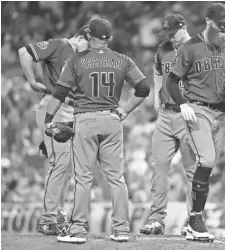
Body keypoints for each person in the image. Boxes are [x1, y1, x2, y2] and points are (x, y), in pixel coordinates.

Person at [44, 18, 150, 243]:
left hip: (85, 120)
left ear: (89, 36)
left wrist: (48, 119)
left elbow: (59, 94)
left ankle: (78, 230)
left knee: (83, 179)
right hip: (112, 120)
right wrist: (127, 110)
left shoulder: (76, 60)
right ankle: (121, 230)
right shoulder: (122, 60)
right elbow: (143, 87)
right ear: (109, 38)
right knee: (117, 178)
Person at [166, 3, 225, 241]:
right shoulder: (190, 47)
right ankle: (196, 218)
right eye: (221, 23)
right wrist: (182, 104)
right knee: (207, 159)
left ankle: (194, 219)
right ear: (209, 21)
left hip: (221, 113)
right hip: (198, 110)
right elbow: (172, 81)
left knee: (207, 168)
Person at [18, 26, 90, 235]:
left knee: (66, 166)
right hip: (54, 107)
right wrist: (31, 82)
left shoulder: (78, 57)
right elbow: (24, 52)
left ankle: (57, 214)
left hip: (69, 110)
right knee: (59, 164)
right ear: (80, 37)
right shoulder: (60, 45)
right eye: (89, 42)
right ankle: (48, 218)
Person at [140, 13, 196, 236]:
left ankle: (194, 221)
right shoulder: (163, 48)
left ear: (183, 27)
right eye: (167, 33)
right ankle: (156, 219)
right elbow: (157, 69)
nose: (170, 37)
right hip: (165, 115)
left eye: (173, 33)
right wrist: (157, 91)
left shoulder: (197, 48)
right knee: (159, 166)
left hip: (189, 116)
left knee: (192, 171)